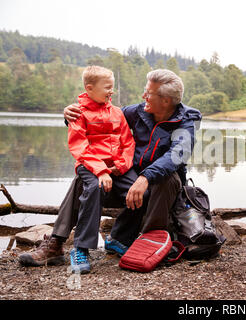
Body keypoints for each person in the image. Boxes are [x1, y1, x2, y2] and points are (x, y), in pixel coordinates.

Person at [19, 69, 202, 272]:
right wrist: (71, 115)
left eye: (148, 93)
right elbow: (101, 118)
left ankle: (148, 242)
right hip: (129, 183)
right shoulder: (139, 111)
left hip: (160, 191)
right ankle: (56, 243)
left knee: (165, 178)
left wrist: (144, 178)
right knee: (86, 178)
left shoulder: (187, 119)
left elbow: (177, 155)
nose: (143, 96)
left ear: (166, 101)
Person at [20, 65, 136, 273]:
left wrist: (119, 166)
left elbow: (128, 143)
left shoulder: (118, 112)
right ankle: (80, 248)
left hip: (117, 167)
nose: (112, 91)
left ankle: (117, 238)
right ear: (89, 88)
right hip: (90, 166)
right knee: (92, 187)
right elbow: (79, 146)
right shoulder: (78, 112)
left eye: (113, 87)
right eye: (107, 87)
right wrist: (101, 170)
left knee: (140, 191)